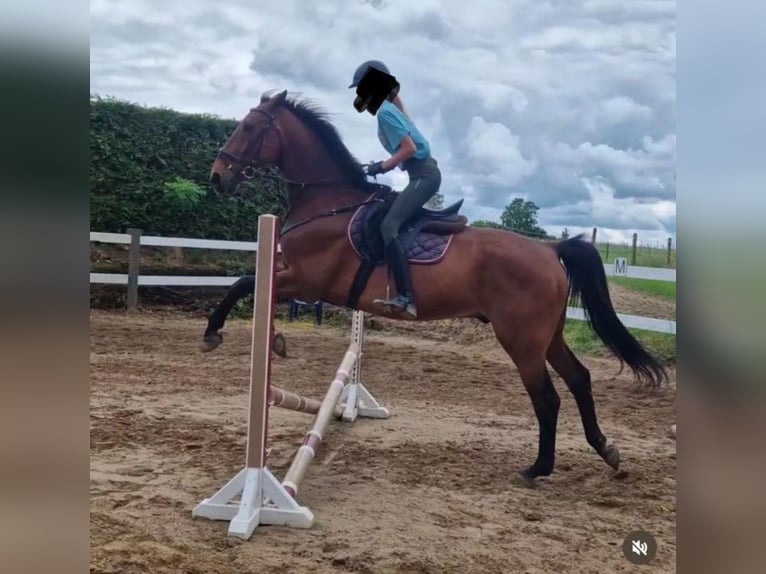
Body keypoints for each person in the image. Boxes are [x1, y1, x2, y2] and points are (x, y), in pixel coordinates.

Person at [348, 60, 442, 319]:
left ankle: (406, 297)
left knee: (389, 226)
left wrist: (381, 167)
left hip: (423, 176)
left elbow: (409, 149)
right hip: (422, 175)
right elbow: (403, 111)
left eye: (362, 89)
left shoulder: (385, 114)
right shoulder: (392, 110)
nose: (360, 95)